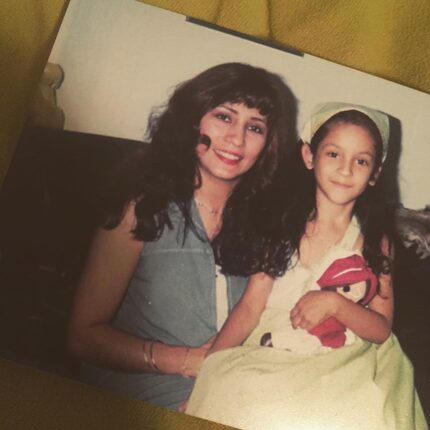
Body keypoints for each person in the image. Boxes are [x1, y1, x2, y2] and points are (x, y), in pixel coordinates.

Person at [66, 62, 297, 410]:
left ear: (268, 144)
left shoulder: (269, 221)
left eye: (255, 127)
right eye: (224, 117)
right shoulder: (140, 206)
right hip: (144, 387)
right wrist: (189, 361)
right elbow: (83, 336)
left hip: (232, 388)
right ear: (193, 121)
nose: (236, 138)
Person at [186, 102, 428, 430]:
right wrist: (209, 368)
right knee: (234, 393)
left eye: (361, 161)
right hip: (275, 348)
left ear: (375, 173)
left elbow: (381, 328)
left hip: (342, 358)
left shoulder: (376, 239)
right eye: (333, 154)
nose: (346, 169)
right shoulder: (282, 227)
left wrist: (336, 304)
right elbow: (250, 307)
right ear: (309, 157)